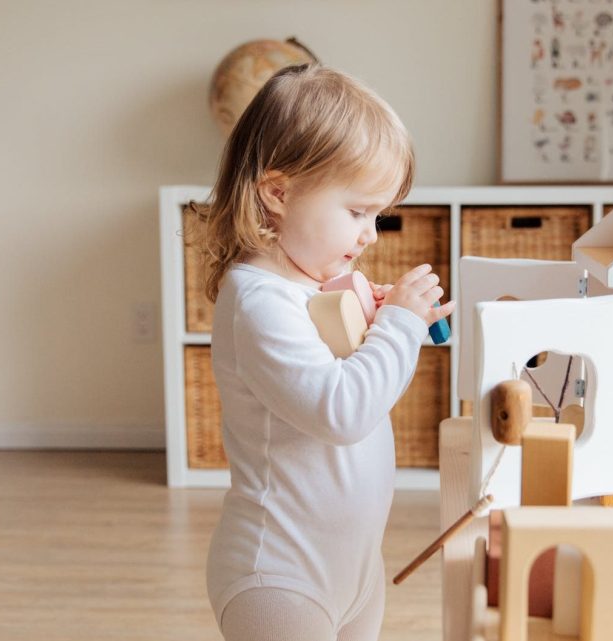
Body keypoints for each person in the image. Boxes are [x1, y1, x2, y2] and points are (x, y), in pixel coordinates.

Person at [191, 63, 454, 641]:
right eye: (357, 212)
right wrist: (400, 328)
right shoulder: (259, 302)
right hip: (280, 575)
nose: (371, 234)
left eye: (377, 215)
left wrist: (380, 318)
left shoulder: (307, 288)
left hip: (354, 567)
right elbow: (342, 411)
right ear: (278, 193)